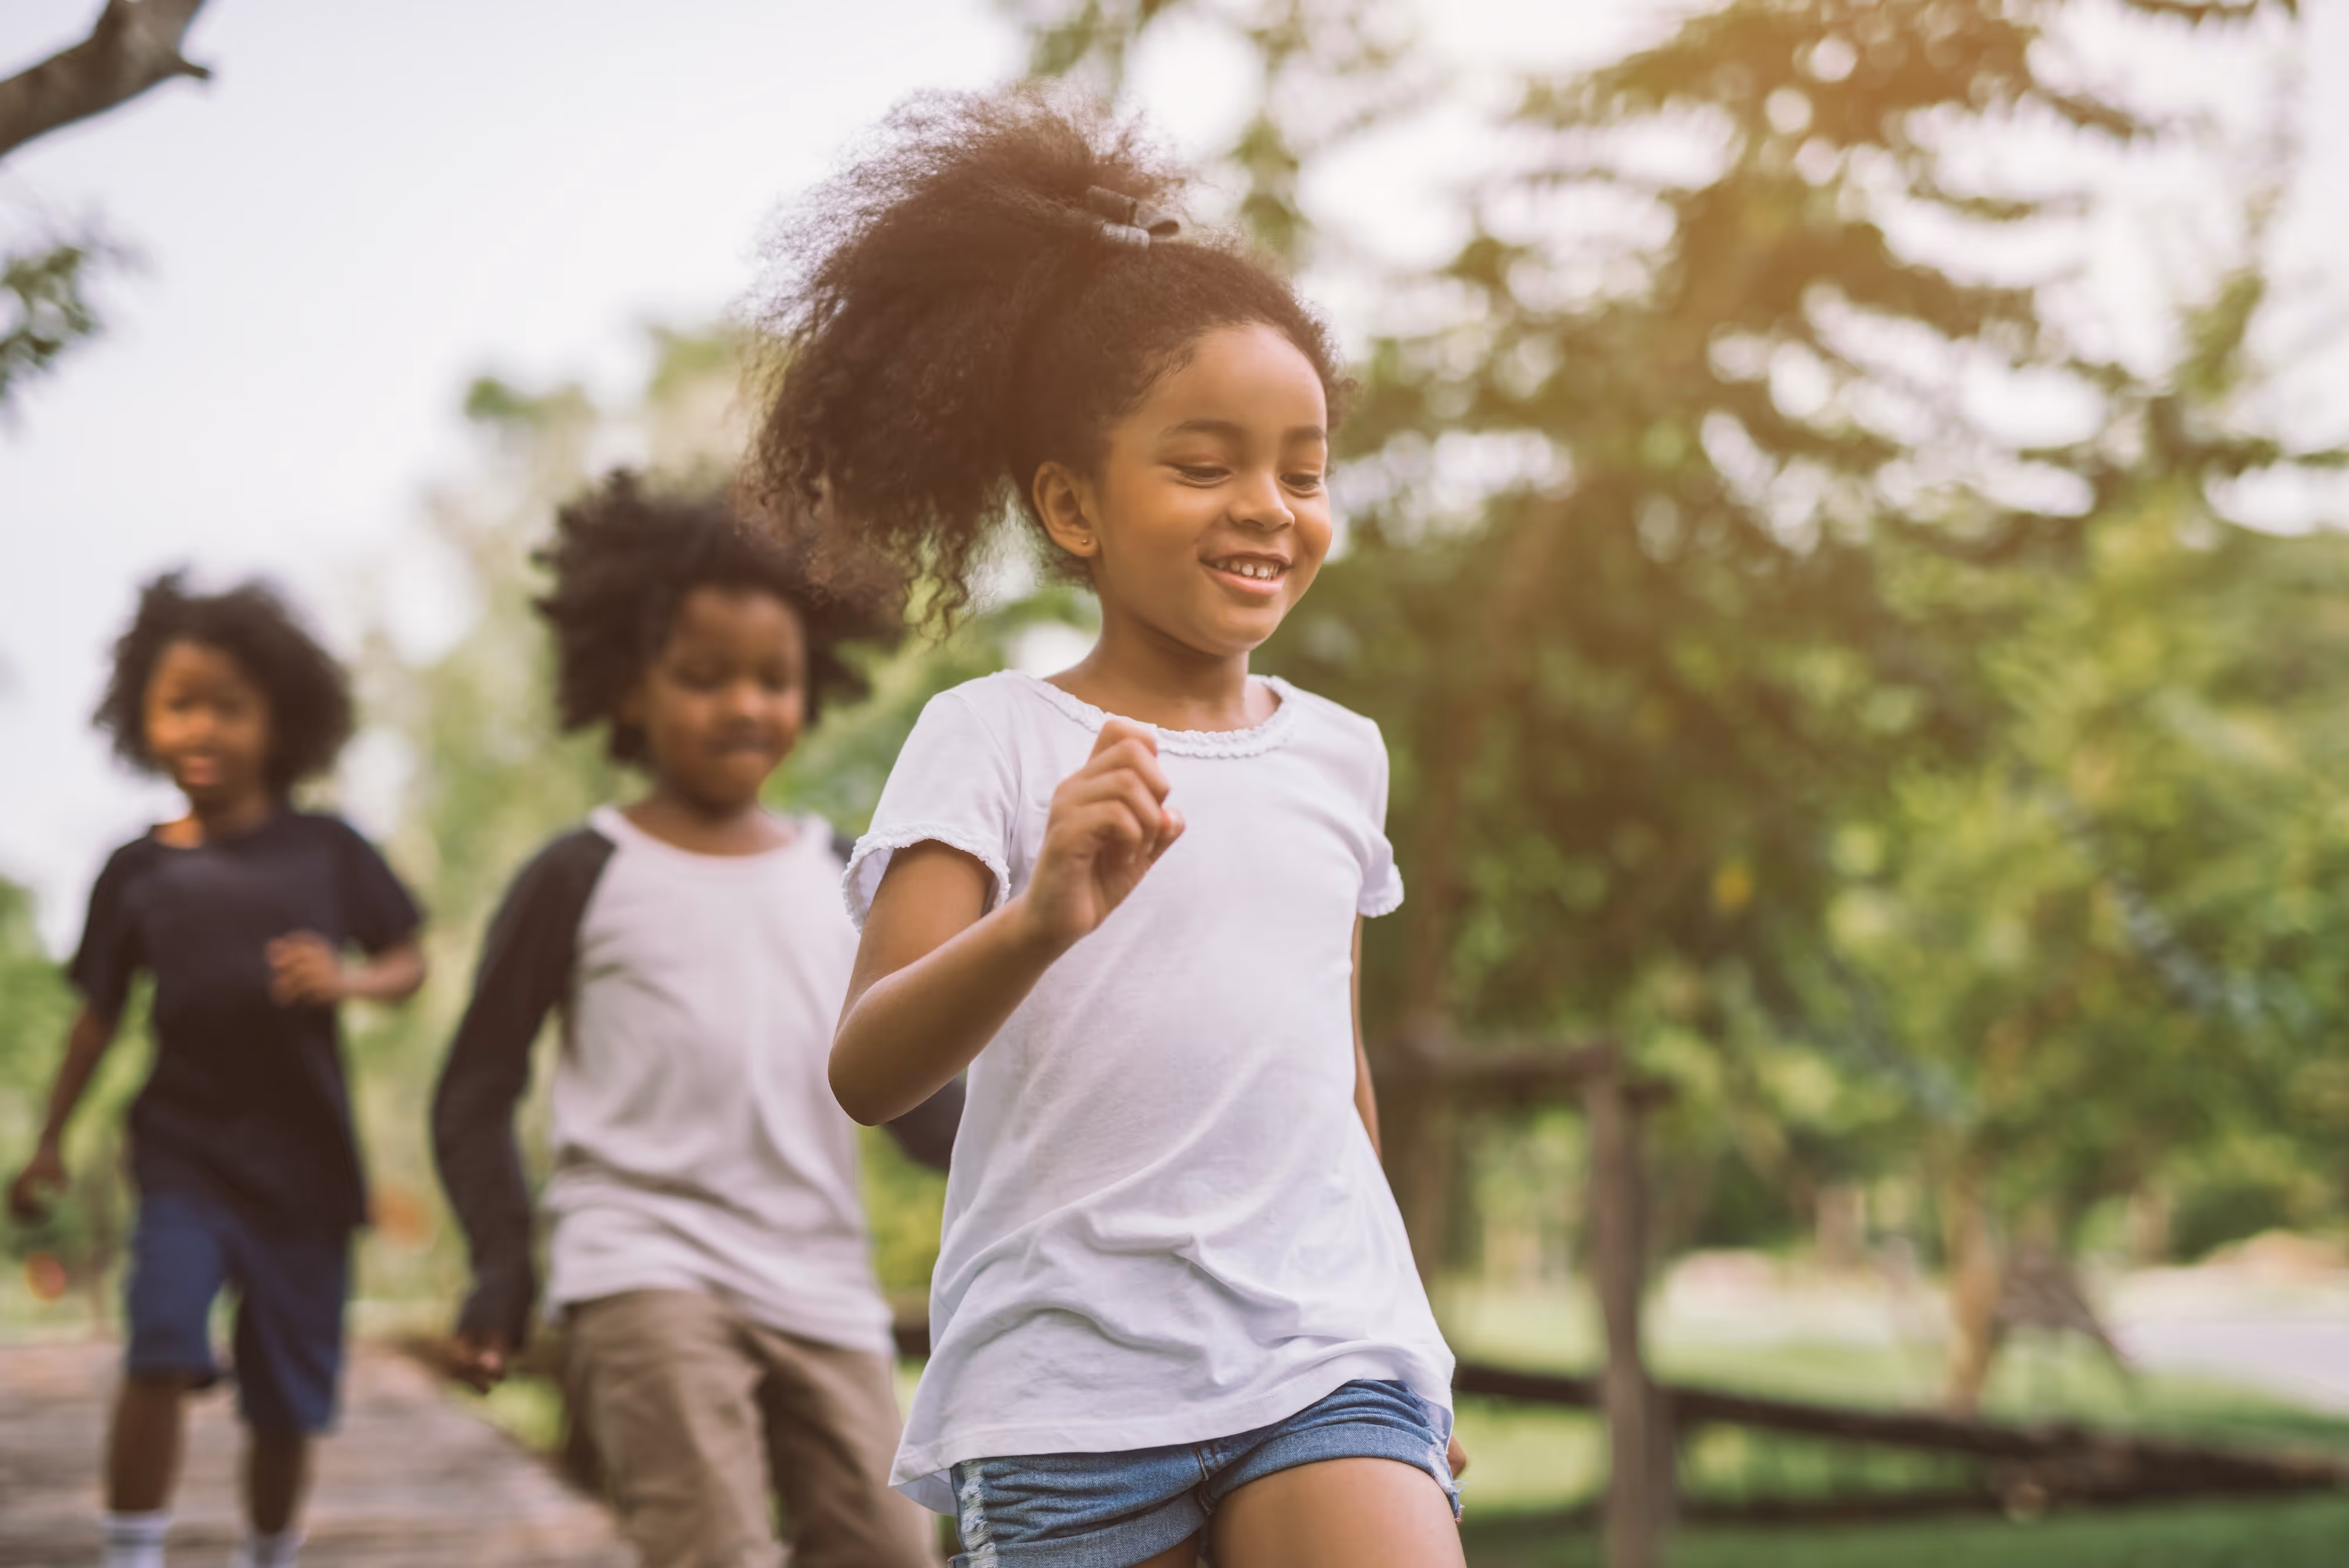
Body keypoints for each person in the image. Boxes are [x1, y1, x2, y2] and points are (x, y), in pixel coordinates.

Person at [740, 86, 1466, 1568]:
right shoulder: (992, 739)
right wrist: (1040, 916)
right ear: (1072, 505)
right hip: (1068, 1397)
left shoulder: (1341, 756)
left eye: (1303, 468)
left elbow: (1331, 1075)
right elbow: (870, 1068)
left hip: (1321, 1359)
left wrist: (1405, 1336)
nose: (1266, 506)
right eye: (1203, 466)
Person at [429, 473, 957, 1568]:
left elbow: (911, 1097)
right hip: (643, 1262)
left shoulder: (845, 873)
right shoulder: (581, 872)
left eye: (774, 678)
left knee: (895, 1549)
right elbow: (476, 1084)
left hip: (820, 1273)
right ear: (630, 688)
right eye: (704, 677)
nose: (745, 705)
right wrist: (500, 1264)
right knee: (710, 1548)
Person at [6, 573, 428, 1568]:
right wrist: (51, 1140)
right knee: (158, 1340)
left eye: (228, 706)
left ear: (280, 719)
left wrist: (350, 980)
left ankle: (269, 1551)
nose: (202, 727)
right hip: (182, 1151)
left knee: (286, 1391)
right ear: (139, 716)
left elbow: (409, 960)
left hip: (306, 1162)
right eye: (178, 703)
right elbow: (99, 1016)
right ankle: (132, 1552)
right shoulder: (136, 870)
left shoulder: (329, 849)